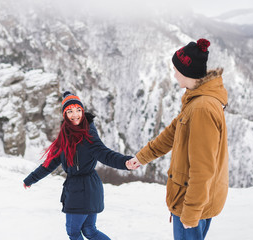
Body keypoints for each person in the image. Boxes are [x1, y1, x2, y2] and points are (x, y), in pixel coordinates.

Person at [129, 38, 229, 240]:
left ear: (187, 72)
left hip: (191, 203)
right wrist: (141, 158)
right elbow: (171, 134)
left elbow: (203, 168)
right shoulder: (195, 101)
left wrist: (191, 212)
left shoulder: (201, 108)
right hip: (193, 199)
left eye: (176, 69)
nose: (174, 74)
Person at [23, 91, 138, 240]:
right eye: (70, 111)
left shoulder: (88, 135)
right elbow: (49, 163)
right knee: (90, 230)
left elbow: (105, 154)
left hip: (82, 190)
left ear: (83, 112)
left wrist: (125, 162)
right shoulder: (66, 136)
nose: (75, 115)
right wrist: (31, 179)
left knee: (73, 231)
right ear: (65, 115)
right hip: (87, 188)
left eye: (78, 110)